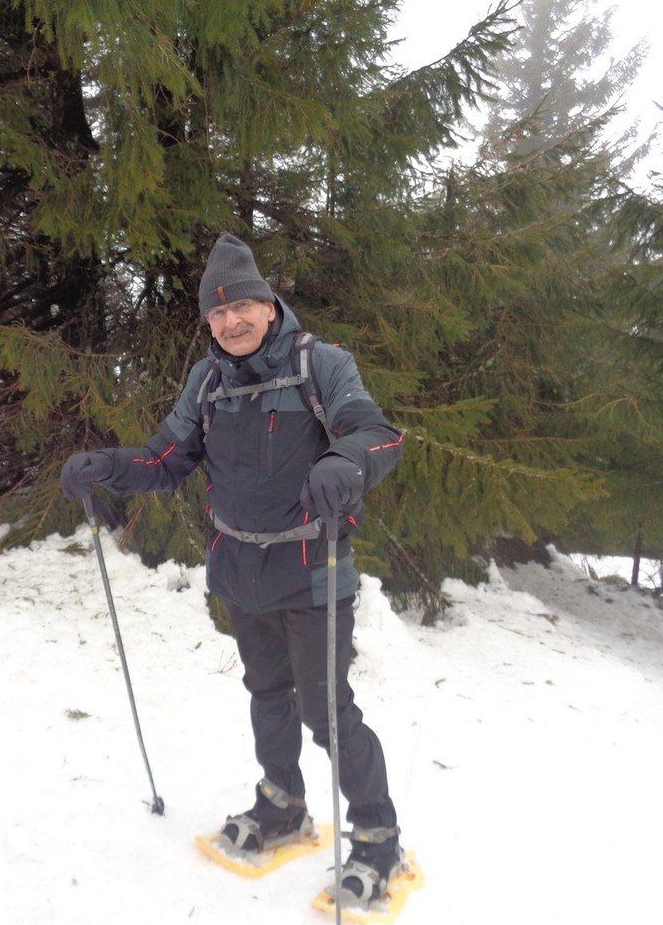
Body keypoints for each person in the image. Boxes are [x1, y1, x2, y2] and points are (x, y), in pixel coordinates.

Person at [60, 233, 406, 904]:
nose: (231, 321)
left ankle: (377, 835)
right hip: (241, 573)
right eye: (217, 313)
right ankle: (281, 804)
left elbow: (376, 433)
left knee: (329, 713)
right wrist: (105, 466)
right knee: (267, 694)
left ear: (269, 306)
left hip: (312, 573)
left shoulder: (322, 365)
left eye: (242, 305)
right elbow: (165, 459)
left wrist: (345, 462)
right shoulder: (208, 381)